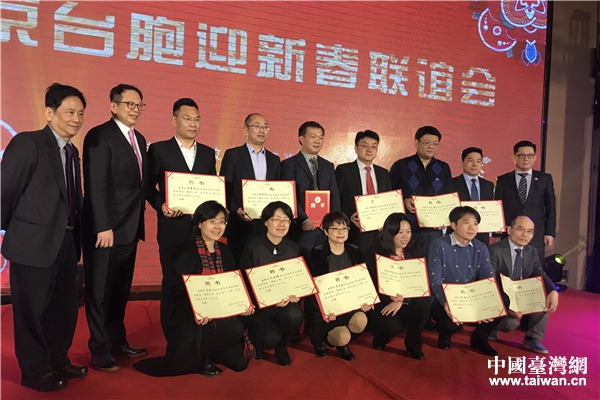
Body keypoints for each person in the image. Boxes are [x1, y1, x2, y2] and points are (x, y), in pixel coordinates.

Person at [1, 83, 88, 391]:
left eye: (80, 113)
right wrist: (20, 228)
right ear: (49, 113)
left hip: (66, 243)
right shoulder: (29, 143)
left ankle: (57, 359)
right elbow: (5, 190)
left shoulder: (73, 152)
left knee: (63, 308)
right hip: (32, 243)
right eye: (70, 112)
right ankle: (35, 370)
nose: (76, 119)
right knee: (32, 311)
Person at [133, 201, 251, 377]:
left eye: (221, 222)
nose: (217, 226)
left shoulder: (225, 252)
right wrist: (199, 309)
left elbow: (231, 285)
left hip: (219, 310)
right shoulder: (184, 253)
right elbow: (174, 293)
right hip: (188, 314)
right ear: (199, 223)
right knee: (234, 328)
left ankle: (209, 349)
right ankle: (202, 357)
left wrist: (241, 304)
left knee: (239, 363)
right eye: (212, 221)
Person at [82, 83, 148, 372]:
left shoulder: (140, 139)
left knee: (120, 289)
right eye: (129, 104)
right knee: (99, 291)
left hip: (130, 229)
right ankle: (99, 348)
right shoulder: (99, 135)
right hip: (106, 231)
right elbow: (96, 185)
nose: (135, 109)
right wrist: (102, 226)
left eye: (139, 105)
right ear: (113, 106)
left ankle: (117, 341)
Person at [147, 98, 217, 336]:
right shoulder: (158, 150)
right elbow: (148, 188)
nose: (193, 124)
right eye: (187, 118)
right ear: (174, 120)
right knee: (173, 282)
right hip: (172, 228)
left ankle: (198, 333)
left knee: (200, 281)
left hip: (201, 231)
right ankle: (171, 334)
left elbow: (213, 189)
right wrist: (162, 205)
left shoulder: (208, 153)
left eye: (197, 119)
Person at [427, 206, 507, 356]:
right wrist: (446, 303)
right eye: (466, 222)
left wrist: (489, 304)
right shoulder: (438, 245)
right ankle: (444, 334)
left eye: (475, 223)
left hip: (469, 295)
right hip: (445, 296)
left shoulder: (480, 247)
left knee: (502, 299)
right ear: (453, 225)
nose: (472, 227)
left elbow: (488, 278)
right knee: (450, 325)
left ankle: (479, 338)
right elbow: (435, 279)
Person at [238, 201, 304, 366]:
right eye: (276, 219)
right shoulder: (253, 246)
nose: (282, 224)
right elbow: (244, 281)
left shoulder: (293, 247)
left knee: (295, 315)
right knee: (269, 338)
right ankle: (258, 339)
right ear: (266, 221)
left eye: (286, 220)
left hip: (285, 303)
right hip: (260, 306)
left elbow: (298, 279)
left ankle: (282, 347)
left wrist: (297, 293)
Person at [364, 213, 431, 360]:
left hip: (407, 299)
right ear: (390, 232)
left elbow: (419, 281)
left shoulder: (414, 249)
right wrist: (390, 298)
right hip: (383, 300)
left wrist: (402, 300)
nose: (405, 236)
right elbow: (371, 282)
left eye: (408, 231)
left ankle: (414, 345)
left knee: (424, 305)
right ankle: (381, 336)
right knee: (392, 327)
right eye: (400, 232)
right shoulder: (375, 251)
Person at [488, 216, 559, 354]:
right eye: (520, 229)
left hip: (521, 293)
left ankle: (533, 337)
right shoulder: (494, 249)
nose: (525, 235)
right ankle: (493, 326)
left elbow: (540, 273)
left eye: (530, 231)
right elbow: (490, 281)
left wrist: (553, 290)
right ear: (509, 230)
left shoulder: (532, 251)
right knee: (510, 324)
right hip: (502, 296)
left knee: (544, 293)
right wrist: (507, 304)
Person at [307, 212, 371, 361]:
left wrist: (366, 299)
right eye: (335, 229)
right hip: (326, 310)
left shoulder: (354, 250)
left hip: (348, 305)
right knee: (342, 336)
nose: (340, 232)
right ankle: (322, 340)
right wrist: (325, 310)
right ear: (325, 231)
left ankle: (342, 342)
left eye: (344, 228)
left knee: (361, 320)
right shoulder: (317, 253)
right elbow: (313, 288)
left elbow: (362, 280)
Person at [220, 113, 280, 264]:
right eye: (257, 126)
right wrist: (236, 209)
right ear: (246, 130)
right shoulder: (233, 155)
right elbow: (225, 188)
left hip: (267, 225)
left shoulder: (274, 159)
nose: (262, 130)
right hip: (241, 225)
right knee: (240, 264)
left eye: (265, 127)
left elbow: (278, 189)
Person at [389, 126, 455, 254]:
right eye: (427, 143)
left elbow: (448, 196)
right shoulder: (401, 165)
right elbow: (390, 193)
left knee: (431, 262)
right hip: (406, 229)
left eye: (435, 144)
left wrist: (445, 218)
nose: (431, 147)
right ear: (416, 142)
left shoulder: (443, 168)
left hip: (433, 230)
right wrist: (404, 200)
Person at [281, 121, 341, 259]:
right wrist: (303, 220)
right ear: (301, 139)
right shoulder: (289, 165)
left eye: (321, 137)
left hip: (326, 229)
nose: (317, 141)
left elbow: (335, 195)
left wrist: (333, 220)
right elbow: (289, 195)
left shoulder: (328, 166)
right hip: (301, 229)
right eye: (313, 137)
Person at [494, 140, 556, 267]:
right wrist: (497, 232)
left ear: (535, 157)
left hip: (535, 234)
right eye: (522, 155)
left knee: (534, 268)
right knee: (507, 267)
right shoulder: (503, 180)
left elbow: (550, 207)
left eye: (530, 155)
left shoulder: (545, 179)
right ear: (514, 157)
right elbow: (497, 206)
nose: (526, 159)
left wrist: (549, 233)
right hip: (509, 233)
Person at [335, 130, 393, 254]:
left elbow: (389, 200)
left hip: (379, 232)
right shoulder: (344, 170)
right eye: (365, 146)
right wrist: (348, 215)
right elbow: (336, 198)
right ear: (356, 148)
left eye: (374, 146)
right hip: (354, 229)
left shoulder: (383, 173)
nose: (369, 150)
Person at [450, 147, 494, 245]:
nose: (475, 164)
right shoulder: (451, 183)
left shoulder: (488, 185)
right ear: (462, 163)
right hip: (458, 234)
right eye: (471, 161)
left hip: (482, 234)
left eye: (478, 161)